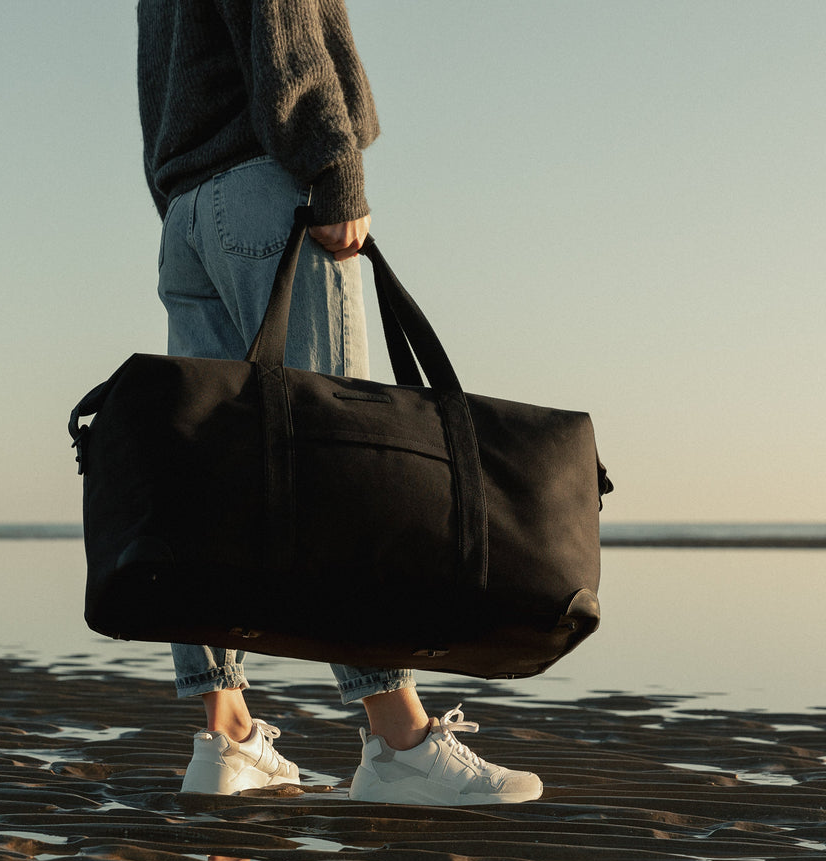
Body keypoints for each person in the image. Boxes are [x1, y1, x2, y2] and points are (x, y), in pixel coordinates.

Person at [137, 0, 542, 805]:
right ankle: (397, 743)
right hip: (265, 189)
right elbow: (278, 19)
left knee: (210, 481)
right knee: (339, 461)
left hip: (188, 212)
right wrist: (332, 163)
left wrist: (188, 192)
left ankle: (227, 739)